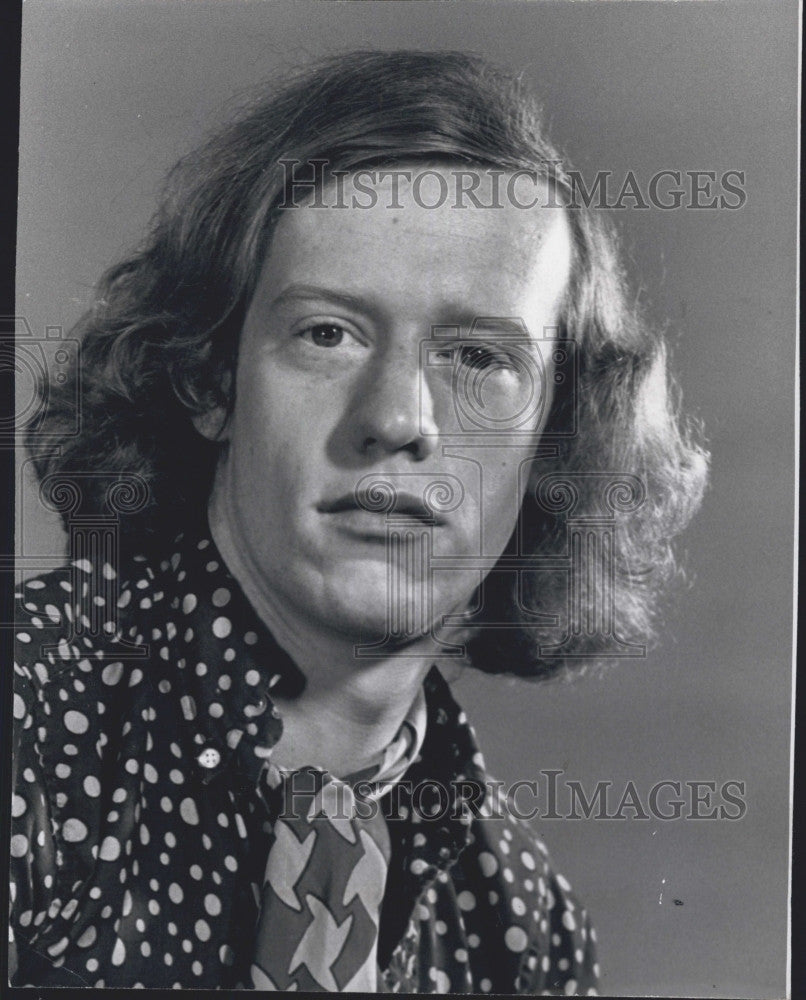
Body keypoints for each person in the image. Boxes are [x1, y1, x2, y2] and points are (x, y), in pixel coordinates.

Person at [10, 51, 708, 992]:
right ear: (209, 378)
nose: (399, 418)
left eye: (477, 356)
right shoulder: (28, 727)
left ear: (553, 441)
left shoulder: (522, 925)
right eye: (327, 333)